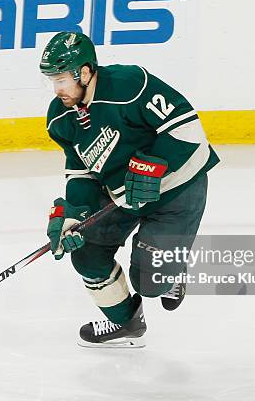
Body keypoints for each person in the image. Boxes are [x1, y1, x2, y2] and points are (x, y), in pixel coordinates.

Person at [40, 31, 219, 348]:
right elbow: (81, 171)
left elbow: (187, 130)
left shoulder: (129, 84)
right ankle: (127, 324)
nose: (57, 90)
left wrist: (151, 167)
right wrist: (74, 215)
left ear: (85, 71)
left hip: (178, 188)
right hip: (121, 194)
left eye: (63, 79)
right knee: (86, 252)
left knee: (149, 283)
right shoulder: (60, 118)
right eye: (52, 81)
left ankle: (171, 273)